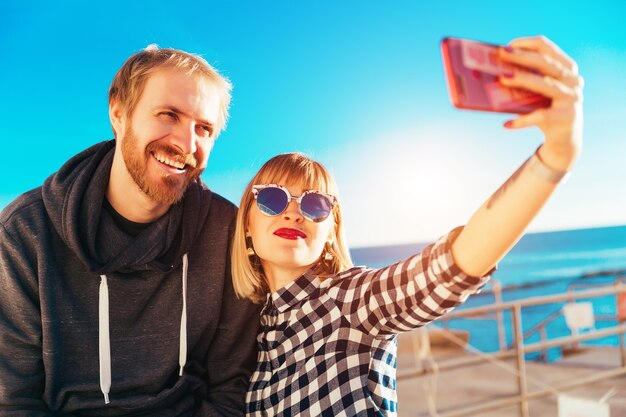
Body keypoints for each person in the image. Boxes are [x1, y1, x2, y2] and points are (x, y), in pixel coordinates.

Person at [230, 36, 583, 416]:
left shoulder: (349, 302)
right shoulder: (247, 336)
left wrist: (555, 157)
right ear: (247, 224)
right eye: (273, 199)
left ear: (331, 233)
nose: (292, 213)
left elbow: (447, 268)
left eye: (315, 204)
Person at [0, 45, 260, 416]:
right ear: (119, 113)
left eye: (203, 128)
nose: (186, 144)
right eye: (168, 115)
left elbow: (231, 386)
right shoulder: (26, 233)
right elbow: (14, 400)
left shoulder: (225, 232)